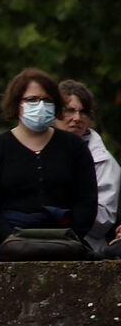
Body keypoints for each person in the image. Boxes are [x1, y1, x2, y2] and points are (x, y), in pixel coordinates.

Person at [0, 68, 98, 247]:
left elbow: (87, 200)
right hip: (8, 246)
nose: (40, 105)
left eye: (47, 100)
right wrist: (10, 239)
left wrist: (71, 237)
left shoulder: (74, 146)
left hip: (66, 244)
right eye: (32, 99)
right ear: (17, 104)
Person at [58, 79, 120, 249]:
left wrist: (60, 210)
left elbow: (104, 219)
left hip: (85, 247)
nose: (77, 118)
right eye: (69, 110)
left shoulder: (103, 160)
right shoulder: (32, 151)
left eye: (83, 112)